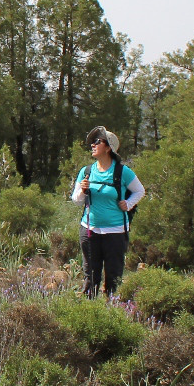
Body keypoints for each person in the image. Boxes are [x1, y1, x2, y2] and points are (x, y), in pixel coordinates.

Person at [69, 126, 143, 298]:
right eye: (92, 142)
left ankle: (111, 312)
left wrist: (129, 203)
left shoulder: (122, 172)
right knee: (90, 277)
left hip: (115, 233)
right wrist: (82, 190)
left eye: (97, 141)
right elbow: (76, 200)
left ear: (108, 147)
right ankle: (89, 313)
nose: (92, 145)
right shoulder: (86, 171)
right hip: (89, 231)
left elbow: (140, 191)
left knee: (113, 277)